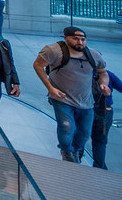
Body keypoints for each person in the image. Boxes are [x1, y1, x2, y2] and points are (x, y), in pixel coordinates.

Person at [33, 26, 110, 162]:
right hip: (61, 98)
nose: (80, 42)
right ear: (65, 38)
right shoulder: (53, 51)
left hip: (86, 101)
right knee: (66, 126)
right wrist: (50, 88)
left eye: (83, 39)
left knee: (85, 132)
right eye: (75, 39)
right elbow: (38, 65)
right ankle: (67, 151)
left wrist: (104, 84)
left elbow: (102, 72)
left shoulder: (93, 55)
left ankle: (75, 150)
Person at [91, 69, 122, 169]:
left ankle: (74, 164)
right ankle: (99, 169)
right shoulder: (108, 74)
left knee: (80, 137)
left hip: (86, 109)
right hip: (105, 111)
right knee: (100, 142)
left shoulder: (83, 72)